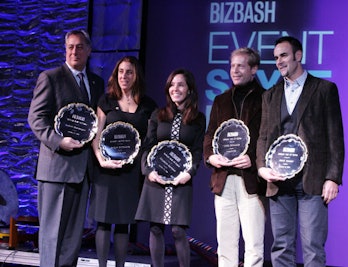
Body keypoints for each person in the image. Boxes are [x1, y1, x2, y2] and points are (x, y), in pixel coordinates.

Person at [256, 36, 345, 267]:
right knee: (281, 246)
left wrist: (332, 177)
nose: (278, 62)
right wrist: (262, 168)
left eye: (283, 55)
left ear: (298, 55)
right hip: (278, 180)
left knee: (313, 247)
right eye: (275, 58)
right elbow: (263, 137)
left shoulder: (324, 89)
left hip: (312, 180)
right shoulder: (270, 95)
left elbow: (335, 136)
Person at [27, 29, 104, 267]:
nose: (74, 51)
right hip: (56, 169)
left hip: (82, 172)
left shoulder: (96, 82)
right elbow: (36, 118)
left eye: (80, 47)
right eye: (70, 47)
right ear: (65, 49)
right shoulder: (51, 77)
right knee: (52, 236)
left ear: (89, 51)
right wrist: (59, 141)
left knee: (72, 239)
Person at [88, 56, 157, 267]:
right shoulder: (105, 101)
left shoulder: (148, 105)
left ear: (137, 76)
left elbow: (150, 140)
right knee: (103, 220)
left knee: (123, 222)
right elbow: (96, 134)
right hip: (106, 170)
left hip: (131, 172)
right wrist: (101, 159)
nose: (124, 76)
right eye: (120, 72)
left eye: (129, 72)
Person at [135, 69, 206, 267]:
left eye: (181, 84)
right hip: (155, 179)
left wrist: (189, 173)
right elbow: (147, 145)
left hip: (181, 180)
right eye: (172, 85)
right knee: (156, 228)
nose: (176, 89)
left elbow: (198, 150)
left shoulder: (198, 119)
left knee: (177, 230)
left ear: (190, 89)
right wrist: (149, 172)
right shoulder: (158, 115)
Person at [203, 47, 266, 267]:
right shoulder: (221, 100)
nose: (235, 70)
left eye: (241, 65)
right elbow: (210, 135)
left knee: (254, 245)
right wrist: (211, 157)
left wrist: (254, 158)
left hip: (251, 180)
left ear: (254, 69)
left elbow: (268, 137)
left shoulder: (266, 98)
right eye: (232, 66)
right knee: (226, 244)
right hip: (223, 178)